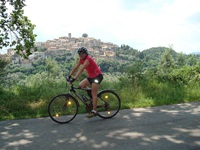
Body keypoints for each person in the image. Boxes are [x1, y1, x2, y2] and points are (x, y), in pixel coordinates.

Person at [67, 47, 103, 118]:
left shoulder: (88, 59)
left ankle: (94, 110)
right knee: (81, 85)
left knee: (94, 93)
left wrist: (74, 78)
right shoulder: (81, 59)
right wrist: (69, 76)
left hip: (97, 76)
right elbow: (76, 67)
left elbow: (81, 70)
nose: (80, 55)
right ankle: (92, 97)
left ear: (85, 53)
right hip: (91, 77)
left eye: (82, 54)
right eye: (79, 54)